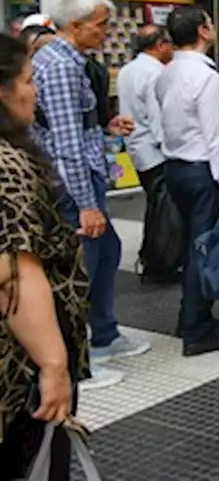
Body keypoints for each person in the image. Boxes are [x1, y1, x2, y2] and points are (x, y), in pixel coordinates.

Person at [34, 0, 147, 387]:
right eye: (101, 25)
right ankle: (74, 360)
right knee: (80, 269)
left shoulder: (67, 60)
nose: (107, 32)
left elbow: (71, 127)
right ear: (76, 25)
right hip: (71, 187)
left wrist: (104, 127)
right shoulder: (62, 67)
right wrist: (86, 203)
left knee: (106, 252)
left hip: (79, 177)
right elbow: (65, 145)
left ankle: (103, 334)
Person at [0, 34, 88, 480]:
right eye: (29, 80)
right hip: (15, 366)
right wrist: (53, 364)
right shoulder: (7, 164)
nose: (35, 91)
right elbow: (14, 268)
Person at [156, 7, 219, 357]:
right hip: (202, 168)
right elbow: (218, 135)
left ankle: (192, 315)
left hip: (176, 165)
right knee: (202, 248)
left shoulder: (166, 74)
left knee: (195, 245)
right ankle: (197, 330)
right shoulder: (207, 78)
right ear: (205, 31)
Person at [116, 25, 175, 278]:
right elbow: (158, 117)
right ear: (159, 45)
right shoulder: (155, 74)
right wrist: (171, 149)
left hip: (137, 148)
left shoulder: (127, 70)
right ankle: (159, 261)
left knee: (154, 206)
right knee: (163, 211)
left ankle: (150, 256)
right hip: (155, 150)